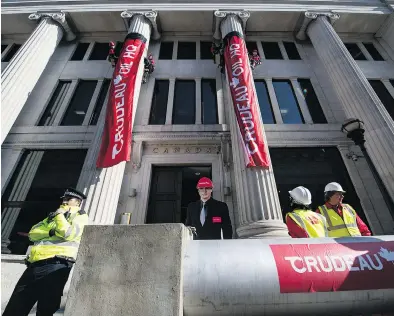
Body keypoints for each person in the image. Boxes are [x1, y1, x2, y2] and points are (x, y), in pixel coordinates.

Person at [3, 188, 89, 316]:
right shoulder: (51, 217)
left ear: (78, 202)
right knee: (17, 305)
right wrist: (51, 232)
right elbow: (32, 234)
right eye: (63, 199)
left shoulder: (80, 216)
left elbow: (68, 233)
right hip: (35, 264)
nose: (64, 202)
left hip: (57, 263)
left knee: (46, 307)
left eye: (68, 199)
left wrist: (60, 216)